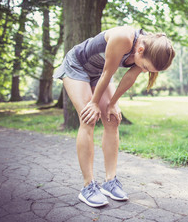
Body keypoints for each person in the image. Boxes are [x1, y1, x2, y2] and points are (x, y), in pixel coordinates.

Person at [53, 26, 175, 207]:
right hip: (78, 65)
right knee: (88, 118)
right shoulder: (123, 38)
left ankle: (109, 181)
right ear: (140, 51)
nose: (145, 71)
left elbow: (129, 78)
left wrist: (112, 104)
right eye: (146, 67)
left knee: (112, 120)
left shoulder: (148, 50)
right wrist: (94, 103)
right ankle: (88, 186)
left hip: (100, 73)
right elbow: (107, 73)